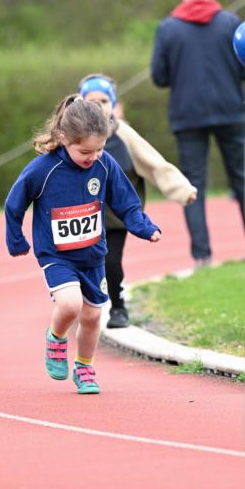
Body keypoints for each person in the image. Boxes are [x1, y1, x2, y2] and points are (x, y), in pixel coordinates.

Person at [4, 95, 161, 393]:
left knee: (92, 316)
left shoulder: (104, 164)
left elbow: (127, 202)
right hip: (57, 255)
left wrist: (144, 227)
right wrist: (16, 239)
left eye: (100, 149)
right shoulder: (43, 169)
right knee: (70, 304)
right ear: (64, 139)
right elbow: (14, 204)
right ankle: (56, 336)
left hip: (92, 254)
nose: (93, 156)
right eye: (85, 151)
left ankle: (85, 367)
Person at [150, 0, 245, 265]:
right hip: (230, 111)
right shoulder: (230, 23)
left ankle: (202, 256)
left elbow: (159, 77)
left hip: (187, 115)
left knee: (192, 185)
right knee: (243, 179)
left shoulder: (168, 28)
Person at [77, 73, 197, 328]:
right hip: (82, 215)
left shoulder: (124, 135)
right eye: (92, 101)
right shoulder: (72, 136)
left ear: (113, 105)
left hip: (115, 215)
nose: (98, 107)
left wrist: (181, 189)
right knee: (82, 262)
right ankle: (84, 303)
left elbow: (154, 164)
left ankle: (118, 308)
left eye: (104, 101)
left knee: (110, 260)